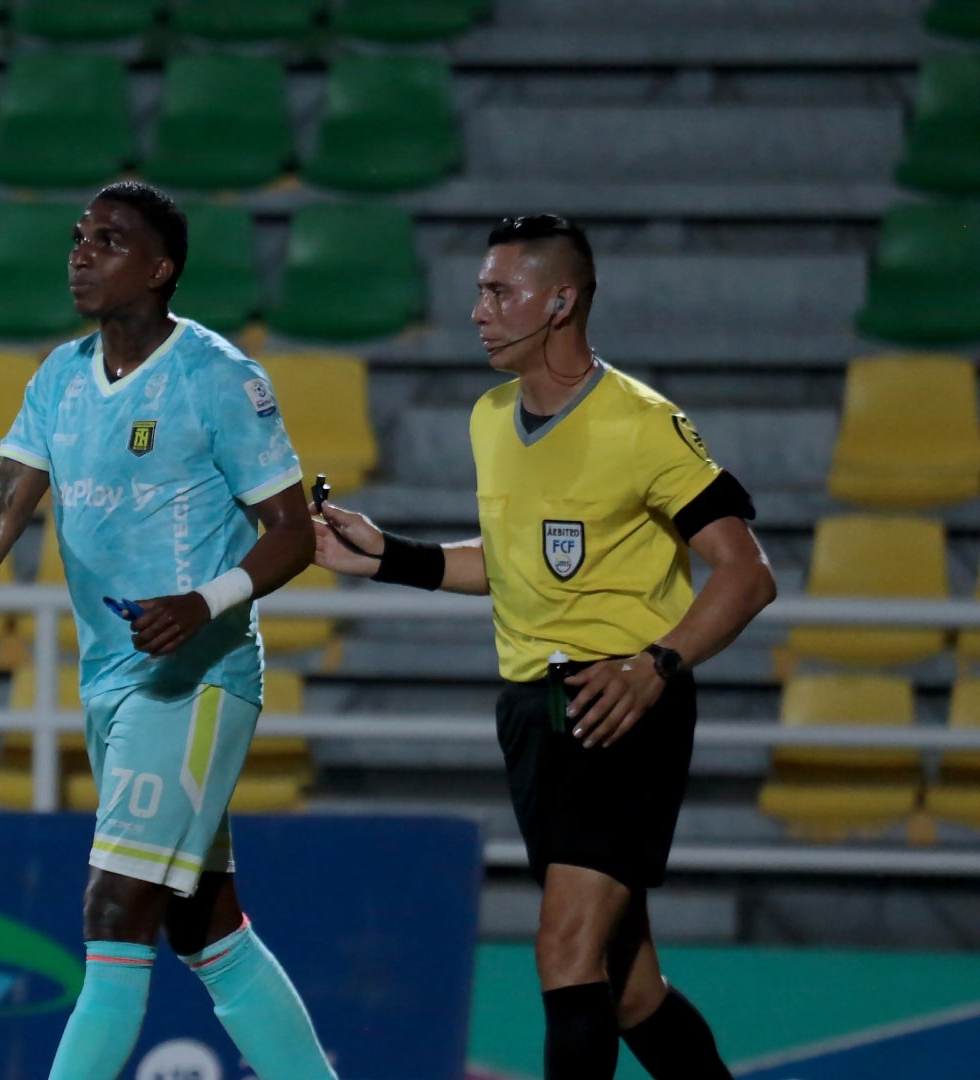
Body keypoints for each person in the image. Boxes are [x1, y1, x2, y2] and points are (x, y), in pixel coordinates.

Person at [0, 181, 339, 1080]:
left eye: (108, 241)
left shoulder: (219, 378)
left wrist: (204, 602)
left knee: (116, 913)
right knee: (205, 924)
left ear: (160, 269)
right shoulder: (60, 378)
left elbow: (294, 533)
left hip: (196, 679)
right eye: (79, 236)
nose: (81, 253)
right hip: (113, 683)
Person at [312, 215, 777, 1080]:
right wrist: (382, 555)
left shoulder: (642, 423)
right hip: (534, 711)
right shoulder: (492, 418)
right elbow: (510, 566)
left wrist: (657, 666)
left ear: (560, 301)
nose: (479, 309)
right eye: (480, 290)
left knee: (563, 947)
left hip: (618, 704)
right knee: (630, 987)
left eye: (499, 291)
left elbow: (746, 573)